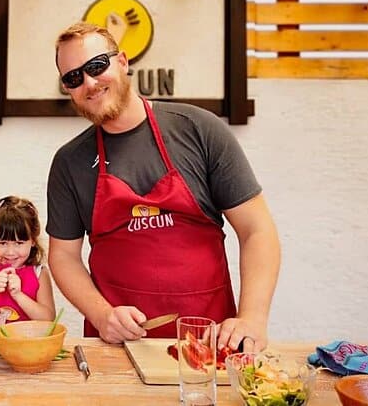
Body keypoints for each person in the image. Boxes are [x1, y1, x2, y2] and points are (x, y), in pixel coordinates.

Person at [47, 22, 280, 352]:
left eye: (97, 66)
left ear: (123, 61)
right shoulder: (70, 162)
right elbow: (63, 256)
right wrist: (101, 315)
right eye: (73, 78)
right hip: (119, 348)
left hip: (209, 345)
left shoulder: (199, 130)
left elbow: (257, 230)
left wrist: (252, 319)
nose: (89, 82)